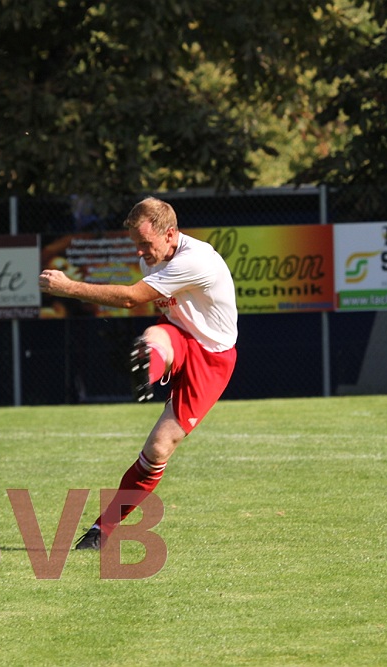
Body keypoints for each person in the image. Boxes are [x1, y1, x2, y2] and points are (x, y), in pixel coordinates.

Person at [38, 196, 238, 550]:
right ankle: (149, 370)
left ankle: (105, 525)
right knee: (151, 340)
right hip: (177, 335)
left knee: (158, 450)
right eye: (136, 244)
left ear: (170, 233)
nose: (140, 252)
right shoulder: (153, 256)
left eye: (145, 243)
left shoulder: (196, 260)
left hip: (212, 357)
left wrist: (68, 287)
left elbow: (131, 298)